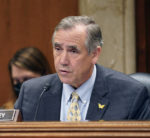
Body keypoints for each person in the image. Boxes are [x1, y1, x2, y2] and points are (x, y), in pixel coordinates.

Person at [14, 16, 150, 121]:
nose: (62, 60)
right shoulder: (32, 93)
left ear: (94, 54)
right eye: (58, 49)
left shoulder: (131, 95)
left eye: (73, 51)